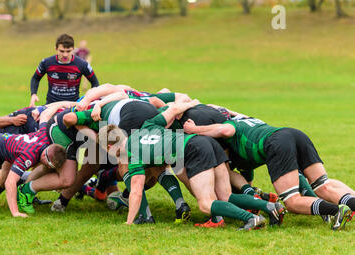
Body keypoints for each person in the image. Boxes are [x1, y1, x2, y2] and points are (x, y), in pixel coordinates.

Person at [99, 104, 285, 229]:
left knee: (205, 204)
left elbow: (137, 192)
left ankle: (251, 219)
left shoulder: (133, 154)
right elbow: (173, 109)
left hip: (194, 149)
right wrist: (190, 103)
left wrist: (129, 223)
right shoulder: (147, 125)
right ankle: (270, 207)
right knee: (225, 196)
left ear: (109, 147)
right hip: (207, 141)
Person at [183, 116, 354, 231]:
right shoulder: (248, 119)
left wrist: (195, 128)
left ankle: (336, 210)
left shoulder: (231, 126)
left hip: (276, 143)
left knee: (292, 202)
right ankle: (347, 206)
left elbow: (224, 131)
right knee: (324, 186)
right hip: (295, 134)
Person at [29, 34, 99, 107]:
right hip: (50, 105)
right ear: (56, 49)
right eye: (62, 51)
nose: (65, 55)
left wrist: (89, 98)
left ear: (74, 49)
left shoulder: (82, 64)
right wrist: (33, 94)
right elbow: (36, 78)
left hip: (72, 107)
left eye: (68, 51)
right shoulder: (47, 62)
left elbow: (95, 83)